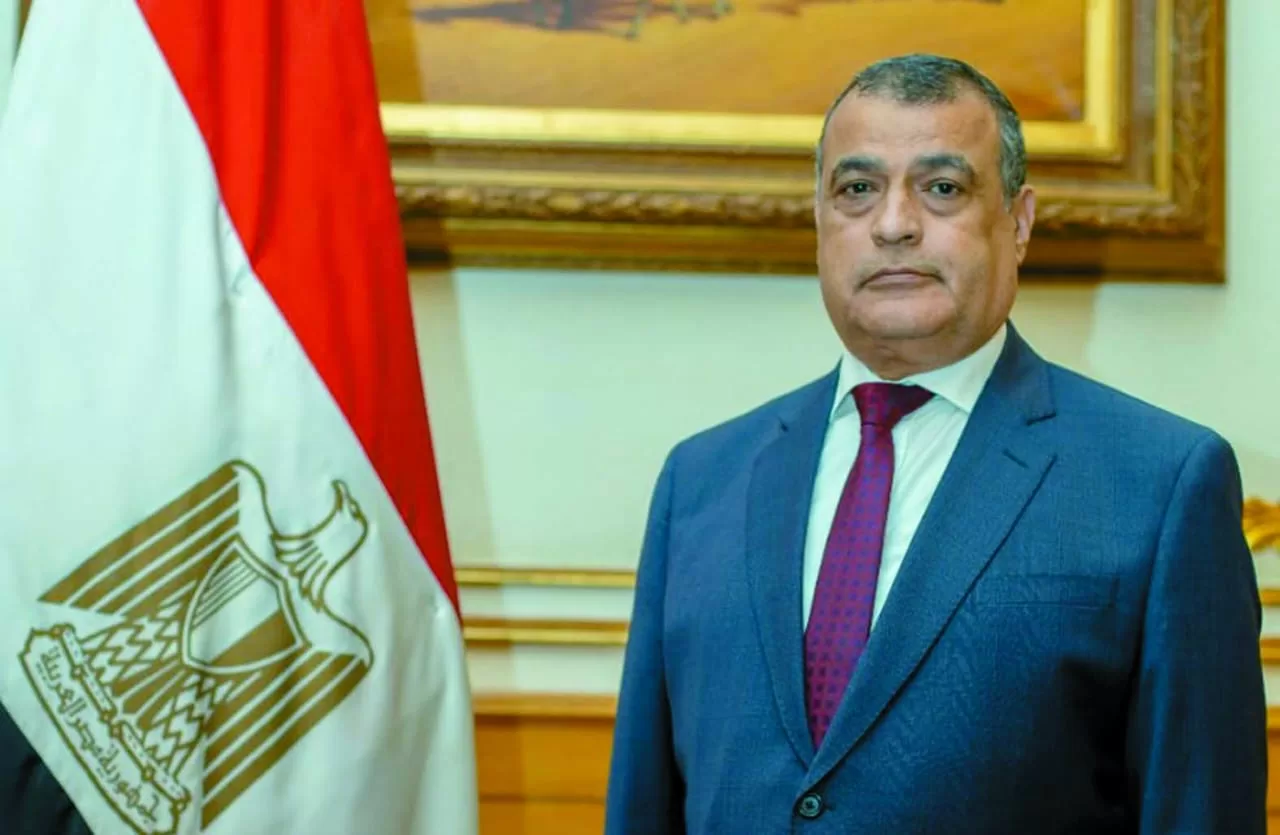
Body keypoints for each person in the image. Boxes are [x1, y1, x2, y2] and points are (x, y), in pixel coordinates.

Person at [604, 53, 1267, 834]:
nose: (893, 224)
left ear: (1018, 222)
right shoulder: (701, 480)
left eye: (942, 188)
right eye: (857, 189)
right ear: (819, 221)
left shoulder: (1159, 484)